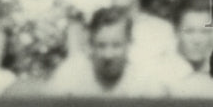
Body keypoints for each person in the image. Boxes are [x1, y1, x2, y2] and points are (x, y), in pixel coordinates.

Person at [35, 7, 169, 98]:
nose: (108, 55)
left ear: (129, 44)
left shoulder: (145, 77)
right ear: (90, 45)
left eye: (116, 46)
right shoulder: (71, 72)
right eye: (101, 45)